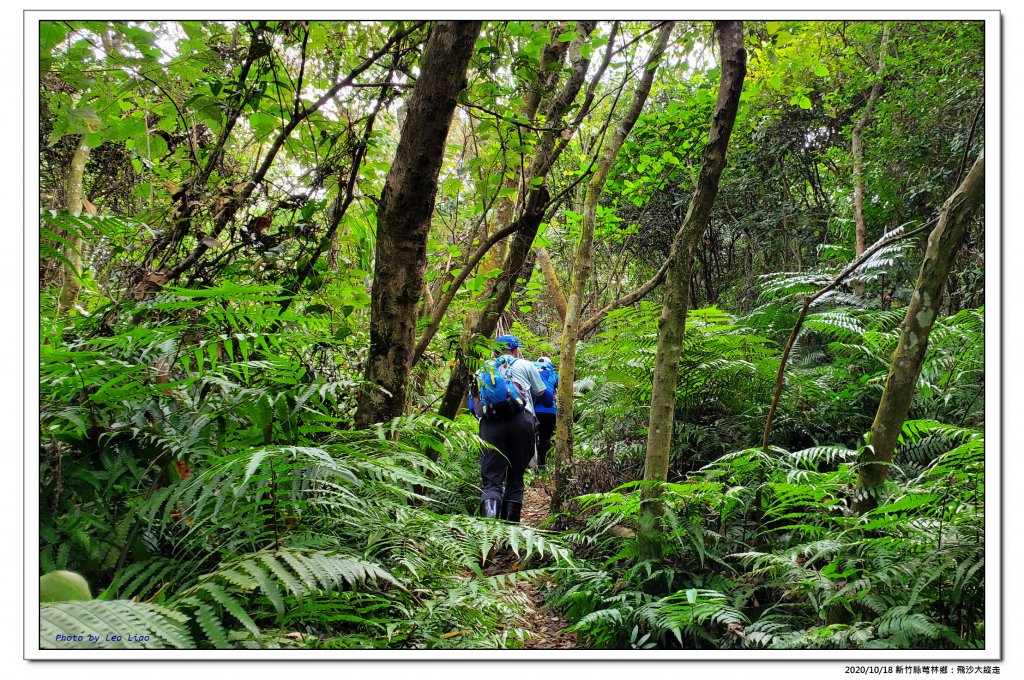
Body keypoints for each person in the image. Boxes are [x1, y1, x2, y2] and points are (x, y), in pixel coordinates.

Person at [473, 334, 553, 522]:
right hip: (522, 422)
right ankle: (509, 537)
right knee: (516, 477)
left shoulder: (482, 370)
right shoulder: (525, 365)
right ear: (516, 350)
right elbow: (547, 399)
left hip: (491, 425)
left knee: (492, 482)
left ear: (493, 352)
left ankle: (489, 534)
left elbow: (472, 406)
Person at [532, 356, 558, 474]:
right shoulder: (553, 374)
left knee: (531, 438)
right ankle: (542, 465)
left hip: (533, 411)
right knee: (545, 439)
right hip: (549, 412)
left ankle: (530, 467)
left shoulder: (532, 370)